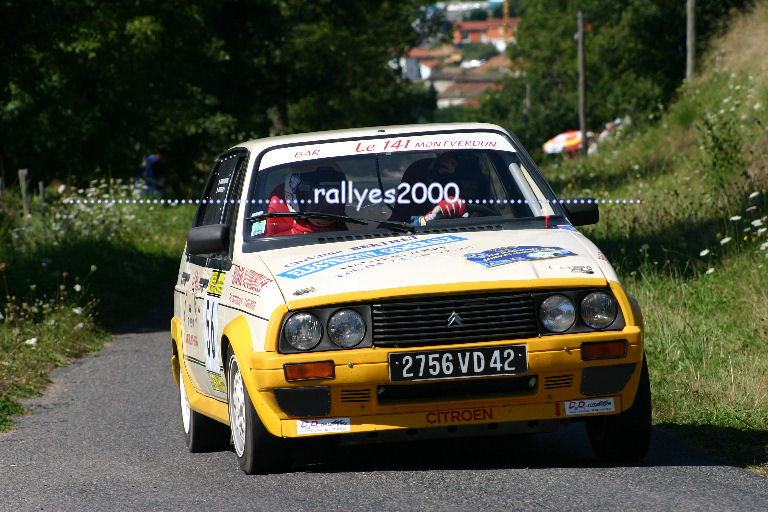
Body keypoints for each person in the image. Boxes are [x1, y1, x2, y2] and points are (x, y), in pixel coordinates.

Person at [410, 151, 491, 226]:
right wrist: (425, 221)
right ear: (438, 190)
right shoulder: (425, 218)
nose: (463, 194)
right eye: (456, 188)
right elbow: (407, 230)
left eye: (471, 189)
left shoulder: (496, 220)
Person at [263, 165, 347, 236]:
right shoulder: (278, 246)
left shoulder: (356, 234)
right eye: (318, 196)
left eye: (332, 196)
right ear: (299, 199)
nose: (326, 203)